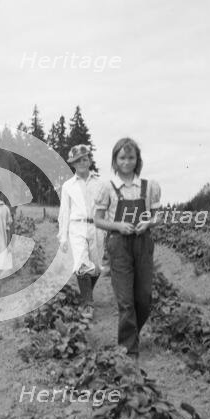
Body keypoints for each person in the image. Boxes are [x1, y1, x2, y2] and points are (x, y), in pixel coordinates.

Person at [94, 137, 161, 363]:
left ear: (137, 160)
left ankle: (132, 335)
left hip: (142, 243)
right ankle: (128, 351)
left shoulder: (148, 186)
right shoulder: (108, 188)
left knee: (143, 298)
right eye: (122, 157)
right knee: (125, 300)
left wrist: (148, 223)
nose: (126, 161)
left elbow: (157, 215)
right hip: (119, 244)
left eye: (131, 157)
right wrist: (118, 226)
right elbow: (98, 220)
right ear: (115, 160)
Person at [58, 144, 105, 320]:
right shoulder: (68, 186)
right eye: (77, 161)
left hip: (97, 227)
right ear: (73, 164)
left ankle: (86, 295)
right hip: (76, 227)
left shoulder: (100, 184)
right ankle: (88, 305)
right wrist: (63, 237)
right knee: (81, 264)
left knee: (97, 267)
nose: (82, 163)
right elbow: (64, 212)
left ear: (89, 160)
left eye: (84, 159)